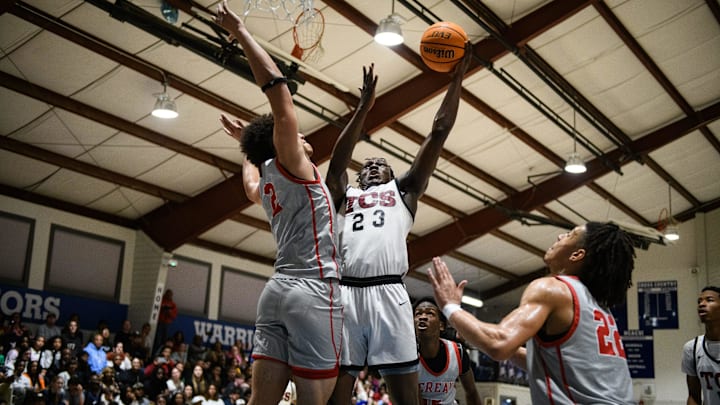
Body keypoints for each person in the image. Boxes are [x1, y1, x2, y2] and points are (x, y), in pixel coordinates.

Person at [325, 42, 473, 404]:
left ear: (393, 175)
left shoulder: (404, 192)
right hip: (347, 294)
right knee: (336, 395)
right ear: (359, 179)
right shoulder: (347, 197)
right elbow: (335, 167)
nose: (373, 165)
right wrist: (362, 109)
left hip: (391, 294)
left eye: (382, 163)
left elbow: (438, 131)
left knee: (406, 397)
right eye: (367, 165)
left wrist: (457, 79)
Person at [215, 1, 343, 404]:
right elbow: (278, 90)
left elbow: (250, 179)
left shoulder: (265, 182)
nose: (306, 139)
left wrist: (244, 145)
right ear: (283, 143)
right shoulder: (292, 162)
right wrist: (240, 31)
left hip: (276, 293)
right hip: (312, 289)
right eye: (297, 137)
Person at [428, 221, 637, 404]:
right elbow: (547, 362)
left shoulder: (552, 288)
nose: (559, 236)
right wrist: (476, 336)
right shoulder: (600, 308)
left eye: (570, 234)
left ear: (577, 254)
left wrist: (450, 306)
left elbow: (499, 344)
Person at [413, 297, 482, 405]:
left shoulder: (458, 352)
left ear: (441, 325)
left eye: (429, 313)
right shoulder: (407, 355)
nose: (423, 317)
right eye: (418, 314)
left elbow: (472, 392)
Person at [682, 286, 720, 404]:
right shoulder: (691, 348)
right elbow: (693, 395)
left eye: (709, 300)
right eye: (699, 301)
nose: (702, 304)